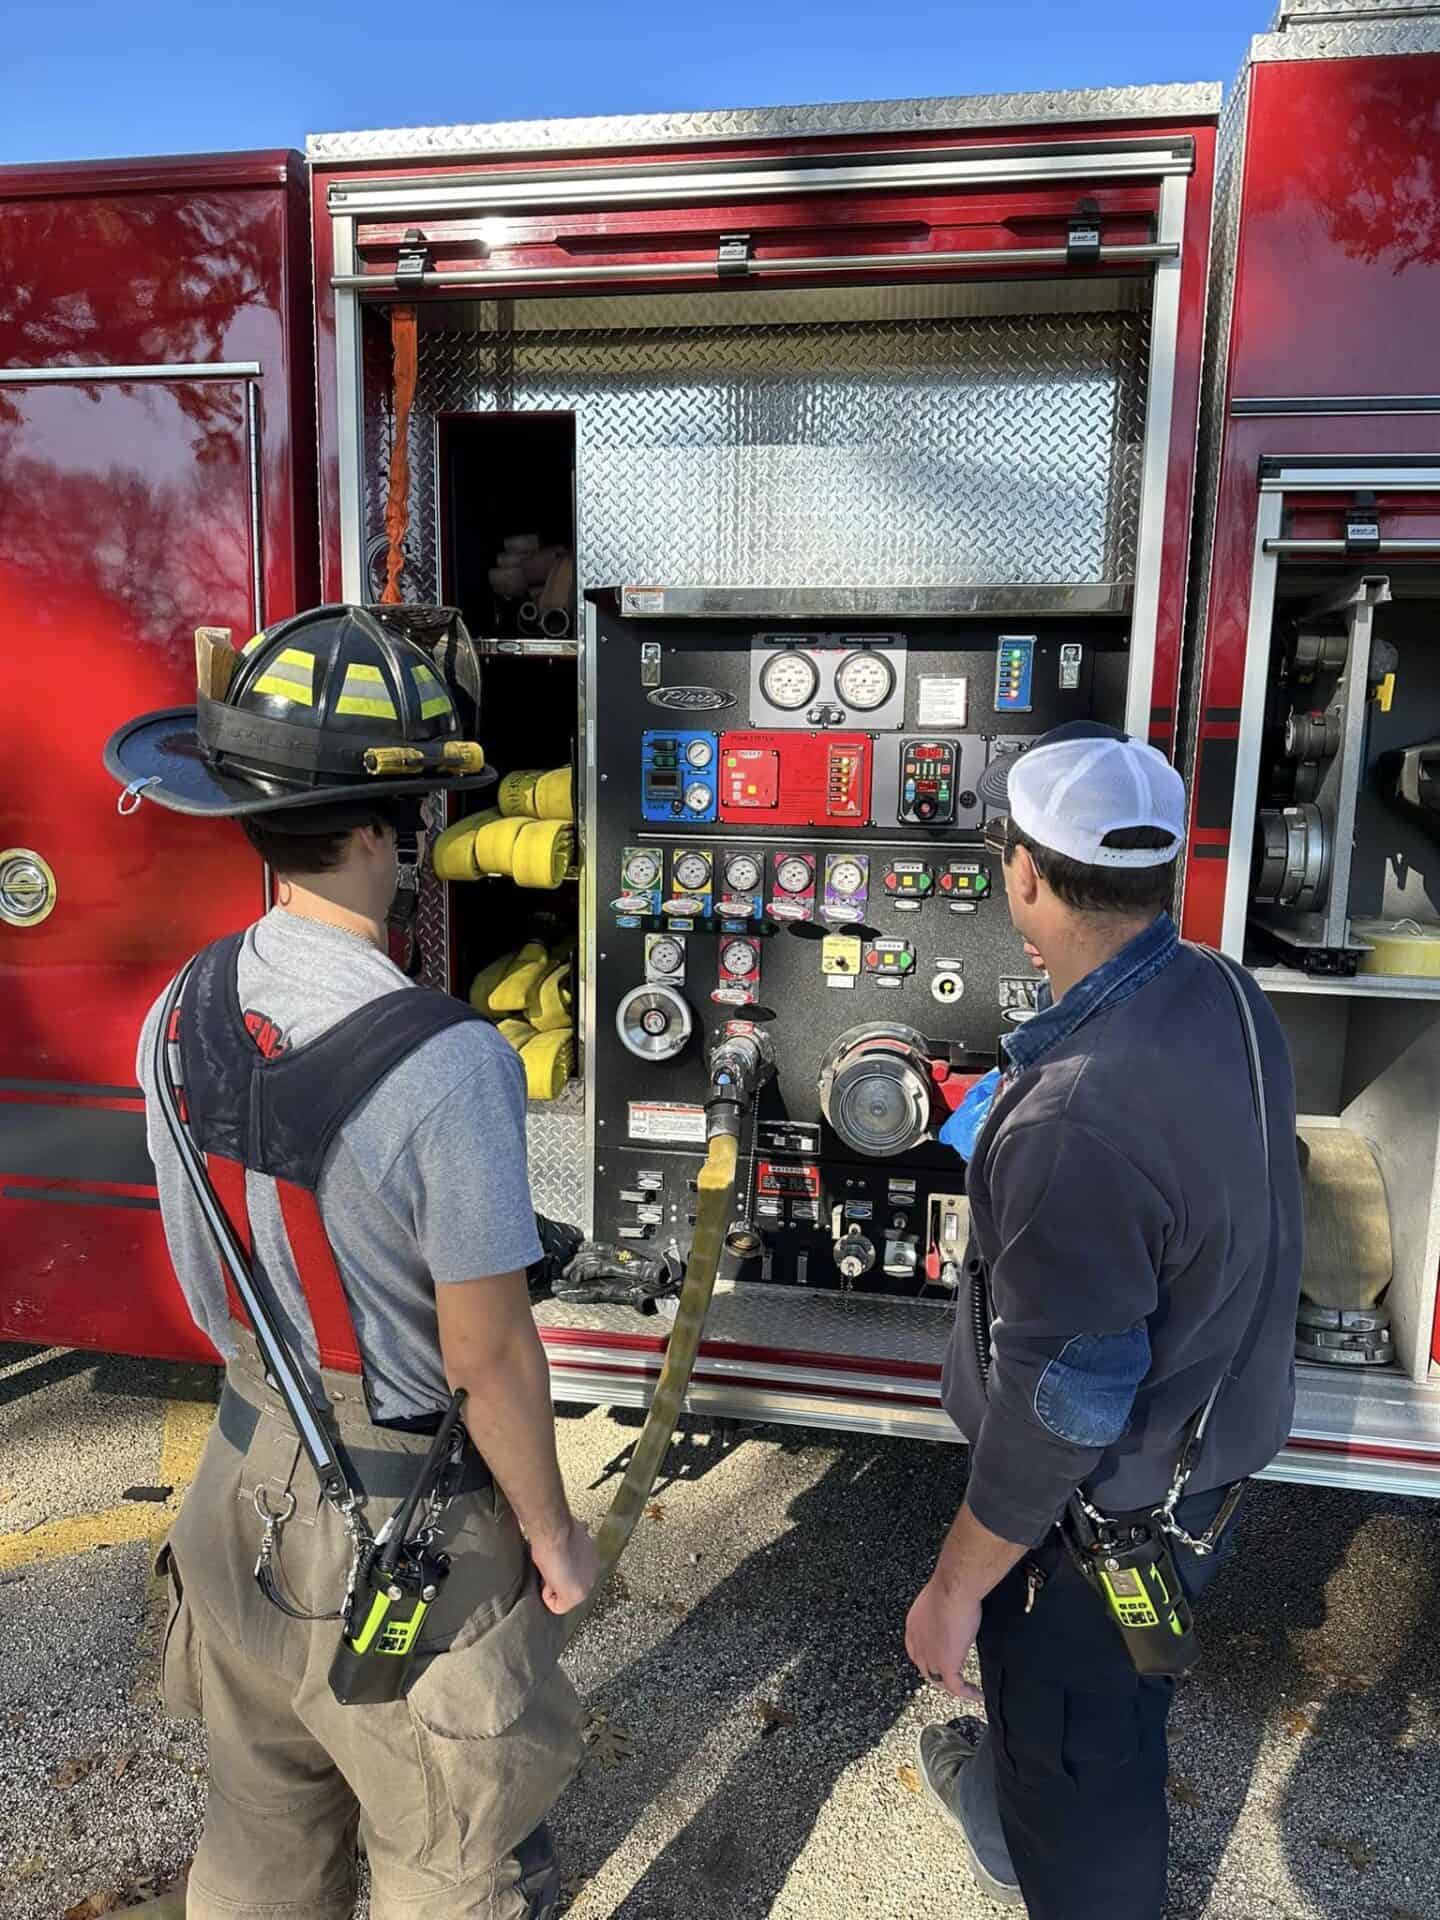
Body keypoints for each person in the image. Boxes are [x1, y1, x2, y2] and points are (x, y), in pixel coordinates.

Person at [108, 605, 596, 1920]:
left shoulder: (177, 1013)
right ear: (390, 830)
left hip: (233, 1491)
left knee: (262, 1846)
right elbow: (487, 1359)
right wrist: (553, 1541)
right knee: (451, 1863)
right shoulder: (450, 1062)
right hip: (408, 1530)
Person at [907, 721, 1303, 1918]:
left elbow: (1061, 1401)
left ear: (1022, 874)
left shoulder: (1075, 1122)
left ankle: (1056, 1843)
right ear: (1162, 872)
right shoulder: (1223, 994)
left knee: (1086, 1781)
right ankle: (1006, 1803)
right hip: (1204, 1472)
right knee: (1105, 1712)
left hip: (1094, 1525)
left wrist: (955, 1587)